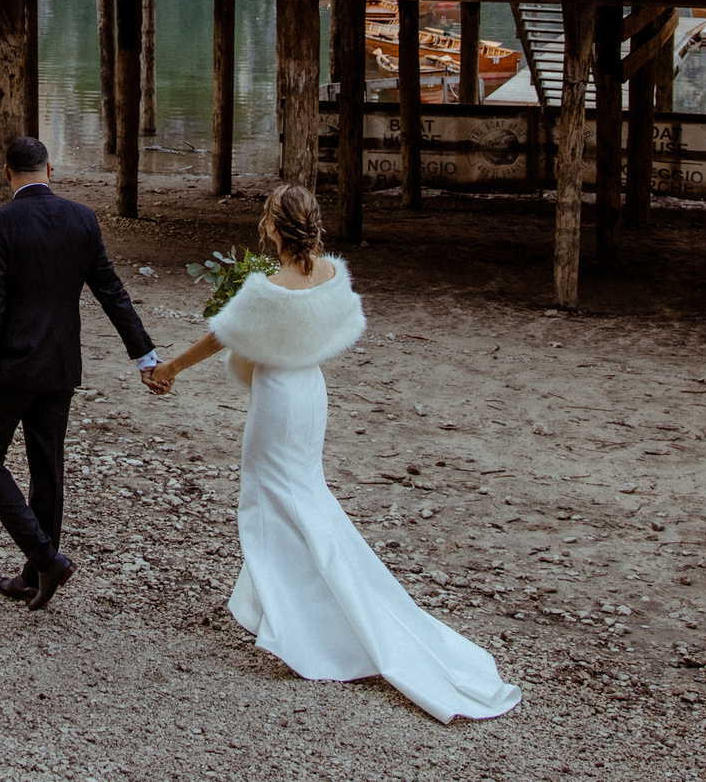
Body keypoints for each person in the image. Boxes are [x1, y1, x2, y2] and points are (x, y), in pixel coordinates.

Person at [147, 184, 521, 723]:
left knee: (270, 500)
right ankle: (289, 606)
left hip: (278, 398)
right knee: (304, 496)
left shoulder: (266, 286)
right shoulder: (330, 276)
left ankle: (300, 620)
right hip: (311, 394)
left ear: (274, 227)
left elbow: (220, 337)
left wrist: (169, 369)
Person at [0, 134, 159, 610]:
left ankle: (45, 560)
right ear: (49, 170)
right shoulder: (82, 219)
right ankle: (33, 577)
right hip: (60, 367)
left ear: (7, 172)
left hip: (8, 370)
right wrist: (145, 356)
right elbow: (112, 292)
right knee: (47, 469)